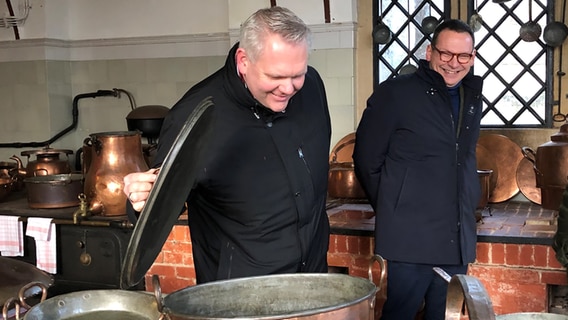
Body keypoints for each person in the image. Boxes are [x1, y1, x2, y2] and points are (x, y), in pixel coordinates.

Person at [123, 6, 331, 284]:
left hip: (313, 281)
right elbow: (158, 206)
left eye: (298, 74)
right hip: (242, 296)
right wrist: (139, 202)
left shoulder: (312, 87)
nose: (289, 88)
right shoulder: (196, 116)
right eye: (277, 77)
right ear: (243, 61)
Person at [353, 19, 483, 320]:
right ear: (429, 52)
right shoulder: (396, 93)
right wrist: (395, 206)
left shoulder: (471, 97)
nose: (454, 63)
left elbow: (462, 158)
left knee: (444, 315)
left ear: (472, 57)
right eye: (445, 54)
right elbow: (366, 160)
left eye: (463, 56)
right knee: (400, 314)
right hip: (409, 238)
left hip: (455, 238)